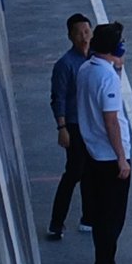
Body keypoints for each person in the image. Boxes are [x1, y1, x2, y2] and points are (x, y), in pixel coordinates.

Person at [77, 22, 132, 264]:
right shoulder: (106, 76)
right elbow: (111, 120)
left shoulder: (87, 69)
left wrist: (119, 68)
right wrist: (121, 158)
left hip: (94, 153)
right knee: (112, 218)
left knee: (104, 215)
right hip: (110, 157)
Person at [47, 13, 93, 239]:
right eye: (78, 33)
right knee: (74, 172)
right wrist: (62, 128)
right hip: (74, 125)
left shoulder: (95, 59)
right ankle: (56, 222)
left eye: (86, 32)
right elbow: (59, 98)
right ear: (70, 36)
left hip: (92, 124)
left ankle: (88, 217)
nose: (83, 37)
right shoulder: (65, 64)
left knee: (90, 171)